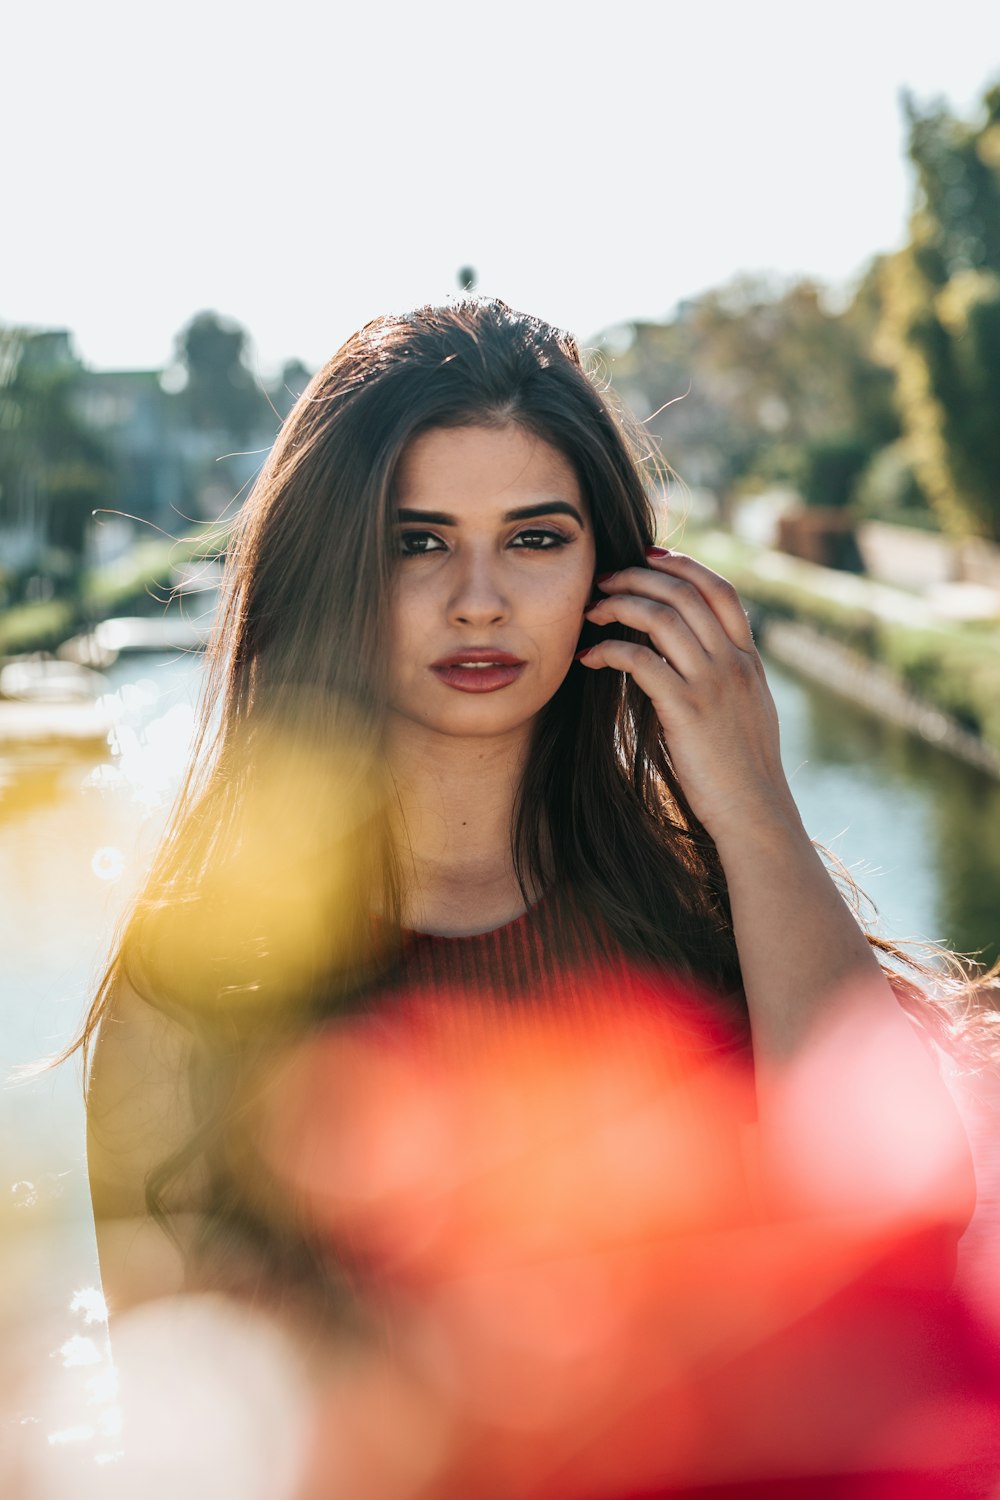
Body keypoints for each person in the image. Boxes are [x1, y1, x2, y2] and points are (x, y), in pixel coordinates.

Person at [72, 297, 996, 1495]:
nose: (477, 599)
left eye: (534, 538)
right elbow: (190, 1444)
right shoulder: (200, 989)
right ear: (333, 567)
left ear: (612, 569)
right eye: (417, 541)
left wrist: (754, 800)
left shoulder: (724, 916)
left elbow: (903, 1213)